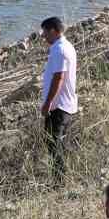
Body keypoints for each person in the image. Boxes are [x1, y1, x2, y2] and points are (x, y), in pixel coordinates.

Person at [39, 16, 78, 183]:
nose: (43, 36)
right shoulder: (65, 46)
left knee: (53, 143)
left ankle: (59, 182)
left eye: (45, 32)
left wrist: (48, 103)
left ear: (54, 31)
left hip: (59, 106)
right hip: (65, 104)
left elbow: (59, 78)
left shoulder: (59, 49)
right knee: (57, 143)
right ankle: (60, 179)